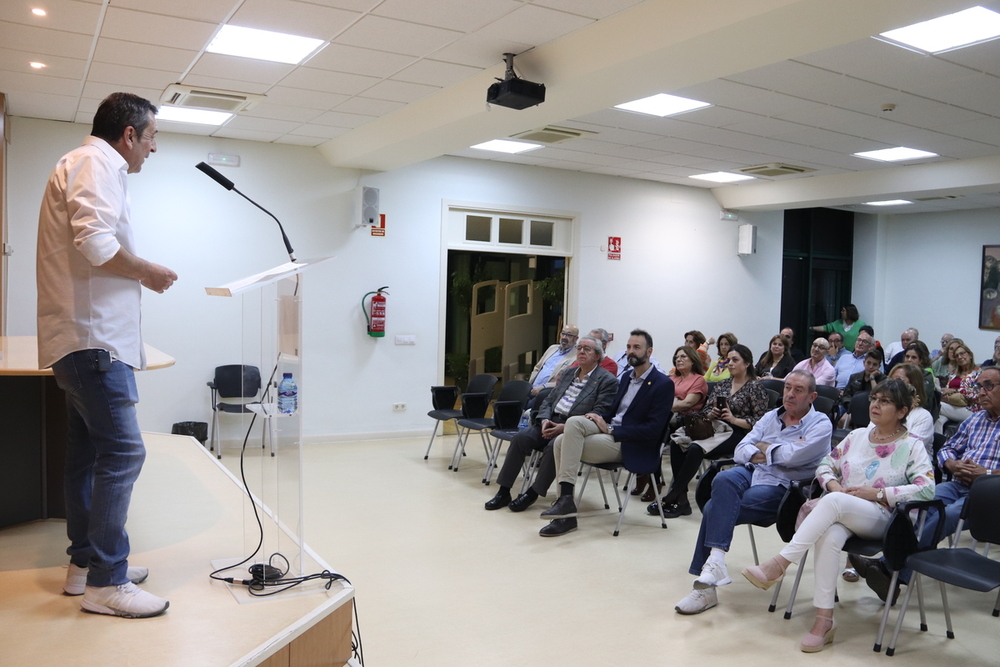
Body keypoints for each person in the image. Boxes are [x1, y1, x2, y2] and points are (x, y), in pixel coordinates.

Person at [36, 92, 177, 618]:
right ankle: (106, 583)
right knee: (122, 454)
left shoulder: (82, 163)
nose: (153, 149)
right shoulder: (97, 161)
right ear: (129, 135)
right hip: (94, 342)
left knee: (88, 457)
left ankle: (84, 567)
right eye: (153, 138)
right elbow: (94, 241)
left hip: (79, 340)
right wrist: (149, 271)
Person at [742, 378, 934, 653]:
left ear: (902, 411)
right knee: (828, 534)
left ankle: (779, 563)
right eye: (874, 399)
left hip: (887, 518)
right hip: (843, 510)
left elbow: (927, 489)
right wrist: (833, 484)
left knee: (832, 504)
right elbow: (824, 465)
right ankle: (824, 621)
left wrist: (878, 494)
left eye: (885, 401)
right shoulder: (857, 436)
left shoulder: (912, 444)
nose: (875, 405)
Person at [673, 370, 832, 615]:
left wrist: (764, 449)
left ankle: (706, 587)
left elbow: (794, 457)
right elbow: (740, 449)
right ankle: (715, 563)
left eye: (798, 390)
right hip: (752, 473)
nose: (789, 394)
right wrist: (776, 451)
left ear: (812, 396)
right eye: (787, 387)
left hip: (785, 488)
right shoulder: (771, 416)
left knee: (714, 508)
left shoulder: (821, 423)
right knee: (724, 477)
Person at [854, 366, 1000, 604]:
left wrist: (988, 474)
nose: (981, 392)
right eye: (978, 386)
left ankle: (889, 568)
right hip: (958, 484)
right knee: (916, 503)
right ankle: (892, 572)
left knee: (948, 515)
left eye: (988, 386)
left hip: (989, 496)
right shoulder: (975, 420)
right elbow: (947, 449)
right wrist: (952, 464)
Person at [537, 330, 674, 536]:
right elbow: (612, 412)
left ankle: (565, 511)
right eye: (628, 347)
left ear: (649, 351)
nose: (630, 351)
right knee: (572, 425)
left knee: (561, 442)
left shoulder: (663, 384)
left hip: (630, 443)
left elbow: (653, 430)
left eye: (636, 347)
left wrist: (612, 429)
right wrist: (597, 416)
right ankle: (565, 503)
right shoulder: (627, 377)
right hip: (608, 431)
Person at [484, 336, 618, 512]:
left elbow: (598, 413)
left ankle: (532, 493)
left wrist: (565, 427)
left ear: (597, 356)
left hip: (572, 429)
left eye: (587, 349)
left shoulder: (607, 380)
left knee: (554, 447)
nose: (581, 352)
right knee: (520, 438)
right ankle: (504, 491)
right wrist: (545, 420)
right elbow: (548, 400)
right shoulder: (569, 373)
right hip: (550, 421)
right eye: (579, 348)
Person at [651, 344, 768, 519]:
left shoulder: (755, 387)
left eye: (735, 360)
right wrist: (712, 413)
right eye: (729, 360)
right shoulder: (723, 384)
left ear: (747, 364)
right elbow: (705, 411)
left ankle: (674, 494)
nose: (730, 364)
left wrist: (734, 419)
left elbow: (762, 421)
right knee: (677, 442)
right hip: (715, 428)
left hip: (739, 433)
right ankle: (681, 497)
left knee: (695, 448)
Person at [633, 346, 706, 502]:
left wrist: (660, 405)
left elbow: (687, 403)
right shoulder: (671, 378)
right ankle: (646, 476)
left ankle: (653, 481)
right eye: (677, 357)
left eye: (683, 357)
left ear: (693, 360)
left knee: (653, 435)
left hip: (685, 423)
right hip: (665, 418)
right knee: (642, 432)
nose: (678, 359)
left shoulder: (698, 380)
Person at [884, 363, 935, 455]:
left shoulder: (923, 416)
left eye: (898, 380)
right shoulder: (884, 410)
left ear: (914, 385)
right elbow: (871, 437)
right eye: (890, 380)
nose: (891, 385)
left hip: (912, 464)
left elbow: (908, 450)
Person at [527, 325, 578, 397]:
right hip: (532, 388)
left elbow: (565, 381)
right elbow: (537, 368)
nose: (564, 337)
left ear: (575, 338)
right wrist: (530, 384)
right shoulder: (552, 348)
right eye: (563, 333)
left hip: (547, 392)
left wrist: (544, 387)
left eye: (568, 335)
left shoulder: (576, 357)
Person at [938, 343, 980, 429]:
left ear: (970, 355)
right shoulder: (953, 374)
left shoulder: (978, 373)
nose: (960, 357)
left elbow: (975, 395)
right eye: (957, 356)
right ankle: (938, 442)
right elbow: (947, 389)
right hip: (951, 405)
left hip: (969, 409)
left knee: (937, 405)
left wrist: (954, 391)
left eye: (962, 353)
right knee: (938, 419)